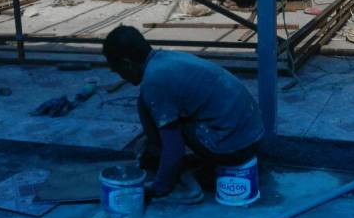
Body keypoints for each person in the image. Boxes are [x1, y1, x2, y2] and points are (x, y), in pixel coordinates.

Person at [103, 25, 264, 204]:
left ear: (127, 64)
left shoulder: (154, 82)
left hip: (236, 148)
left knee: (164, 125)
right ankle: (172, 162)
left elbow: (175, 148)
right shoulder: (166, 58)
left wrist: (159, 188)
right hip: (253, 134)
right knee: (150, 105)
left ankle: (182, 185)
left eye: (118, 71)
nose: (121, 77)